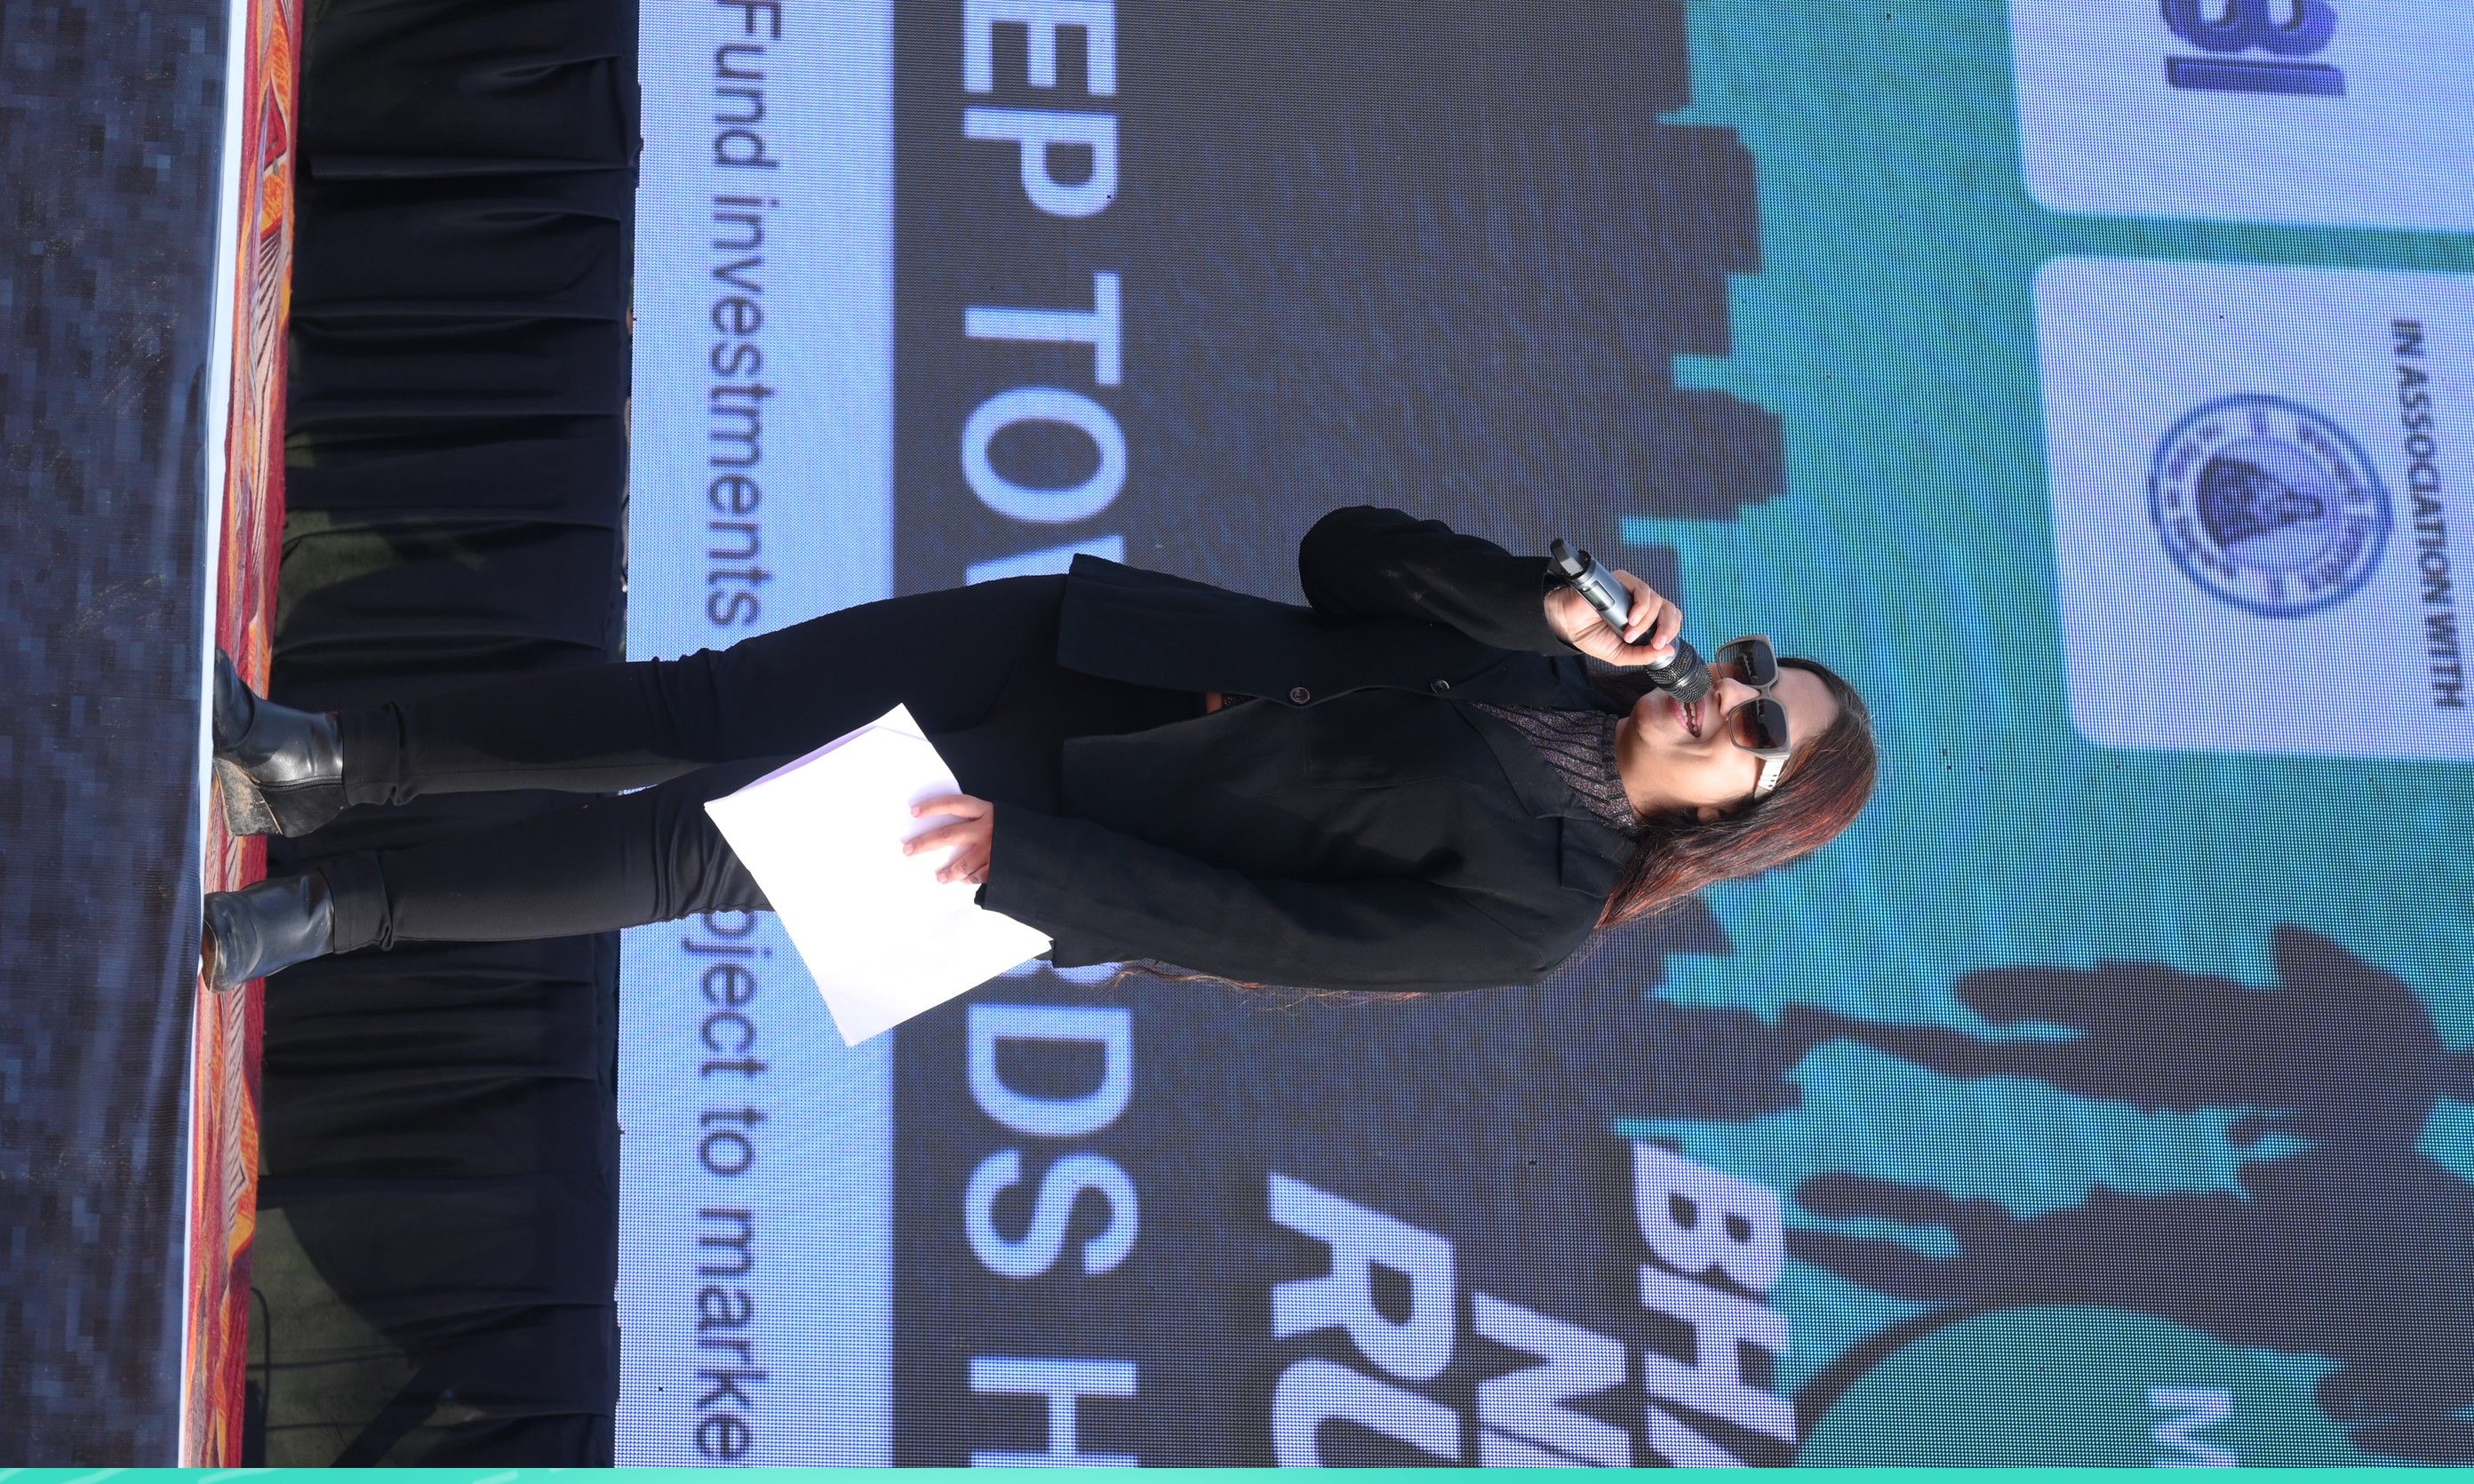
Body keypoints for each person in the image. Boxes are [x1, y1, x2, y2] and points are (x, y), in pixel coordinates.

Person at [198, 506, 1878, 993]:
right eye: (1748, 669)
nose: (1723, 698)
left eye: (1757, 731)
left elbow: (1267, 933)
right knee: (695, 705)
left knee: (694, 847)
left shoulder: (1543, 911)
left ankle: (327, 914)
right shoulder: (1548, 648)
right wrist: (1530, 594)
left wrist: (1037, 870)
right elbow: (1340, 557)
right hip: (1089, 649)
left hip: (1056, 824)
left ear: (1743, 815)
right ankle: (321, 759)